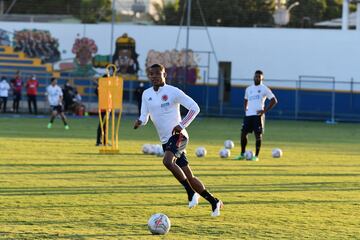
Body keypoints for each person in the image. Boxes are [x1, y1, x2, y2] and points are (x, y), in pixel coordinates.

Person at [134, 63, 223, 217]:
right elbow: (144, 116)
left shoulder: (173, 91)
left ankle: (190, 192)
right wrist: (140, 122)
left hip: (179, 137)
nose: (154, 76)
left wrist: (181, 125)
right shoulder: (146, 94)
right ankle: (214, 201)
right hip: (166, 141)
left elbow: (195, 108)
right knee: (190, 176)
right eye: (151, 74)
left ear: (164, 74)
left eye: (157, 73)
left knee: (167, 162)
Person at [234, 70, 278, 161]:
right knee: (243, 134)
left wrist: (264, 111)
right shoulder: (248, 89)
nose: (257, 78)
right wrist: (245, 108)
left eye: (259, 76)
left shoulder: (264, 88)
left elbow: (274, 100)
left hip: (258, 116)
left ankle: (256, 156)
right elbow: (246, 99)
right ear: (253, 77)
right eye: (256, 76)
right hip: (248, 115)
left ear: (262, 78)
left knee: (258, 135)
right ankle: (242, 154)